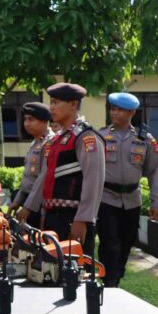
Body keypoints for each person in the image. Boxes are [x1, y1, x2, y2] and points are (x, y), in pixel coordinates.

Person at [17, 83, 105, 256]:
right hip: (52, 217)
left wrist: (83, 219)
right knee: (51, 270)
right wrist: (29, 207)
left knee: (73, 274)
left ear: (73, 104)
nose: (51, 107)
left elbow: (93, 180)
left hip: (73, 218)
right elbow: (45, 175)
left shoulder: (85, 136)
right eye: (51, 102)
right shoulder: (56, 139)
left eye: (56, 102)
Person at [96, 92, 158, 286]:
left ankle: (116, 275)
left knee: (126, 242)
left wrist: (156, 201)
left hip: (132, 199)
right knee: (109, 241)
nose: (115, 113)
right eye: (113, 109)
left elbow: (154, 172)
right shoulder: (101, 136)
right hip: (106, 198)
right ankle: (109, 281)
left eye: (120, 110)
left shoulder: (145, 140)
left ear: (132, 112)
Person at [8, 102, 54, 228]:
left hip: (40, 204)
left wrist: (28, 207)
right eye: (25, 120)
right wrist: (17, 201)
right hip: (30, 200)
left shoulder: (50, 143)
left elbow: (43, 179)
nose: (26, 124)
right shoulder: (35, 142)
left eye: (31, 120)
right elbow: (28, 178)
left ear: (44, 121)